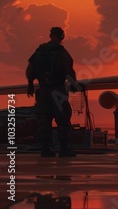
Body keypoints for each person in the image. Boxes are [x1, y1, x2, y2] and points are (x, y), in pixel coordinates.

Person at [26, 27, 78, 157]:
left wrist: (30, 84)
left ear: (50, 35)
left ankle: (45, 149)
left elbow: (30, 69)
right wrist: (74, 84)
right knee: (63, 121)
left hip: (43, 92)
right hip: (58, 91)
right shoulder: (61, 52)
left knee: (44, 122)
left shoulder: (39, 51)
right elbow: (68, 70)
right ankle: (64, 149)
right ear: (61, 36)